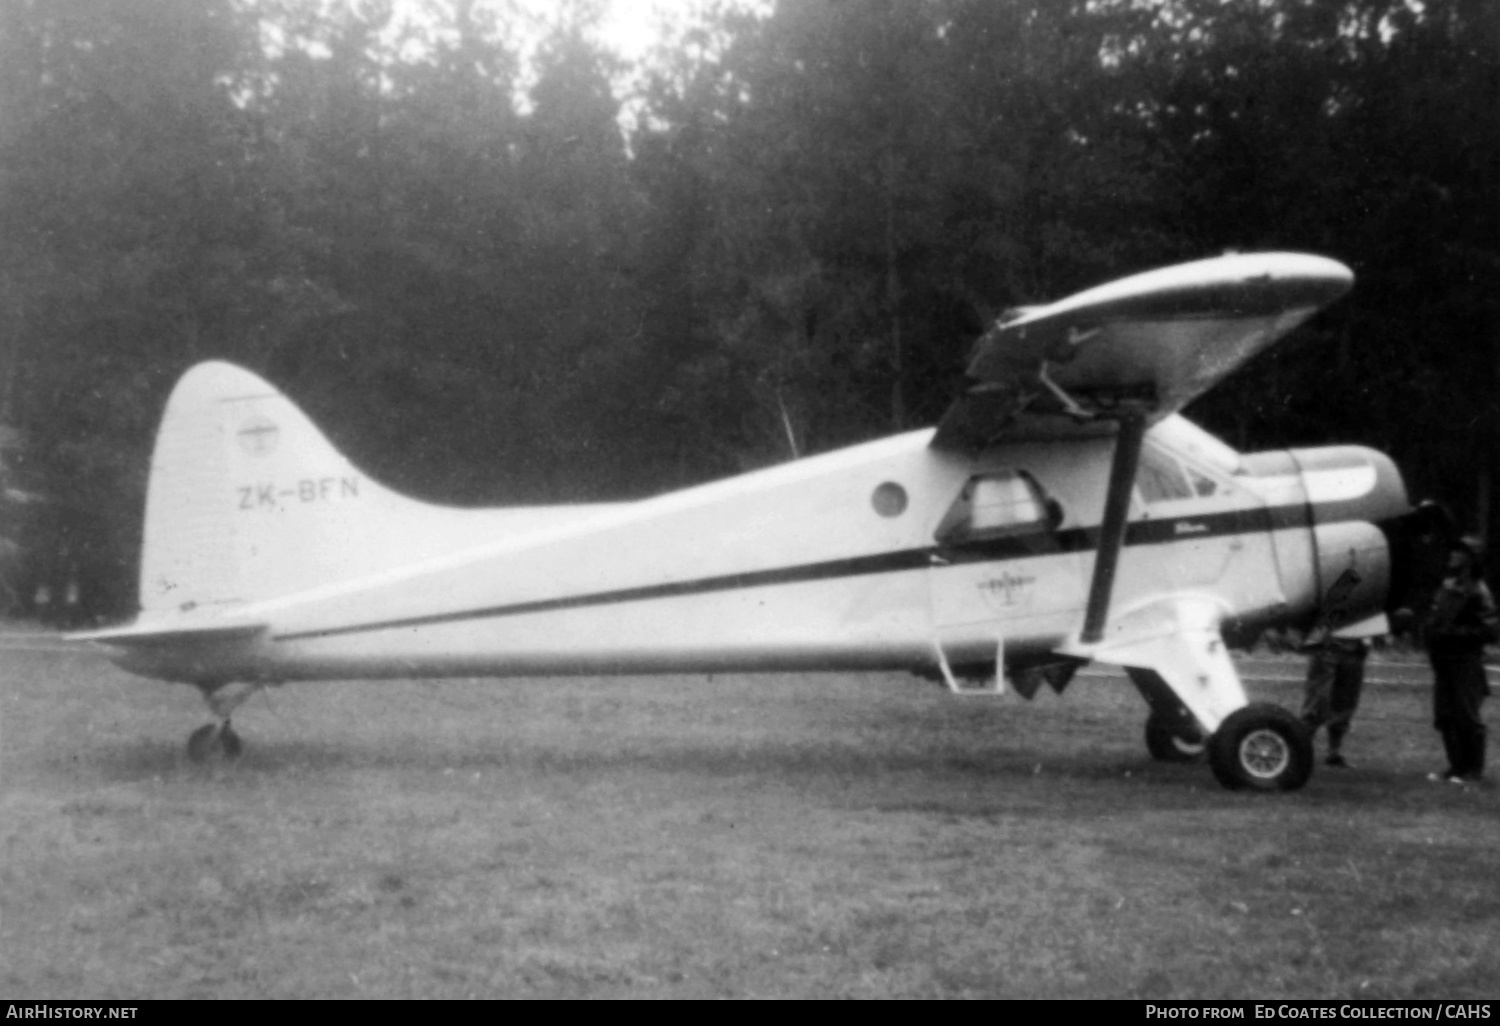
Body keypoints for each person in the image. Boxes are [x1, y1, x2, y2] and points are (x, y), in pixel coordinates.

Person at [1422, 535, 1499, 784]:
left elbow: (1488, 630)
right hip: (1443, 660)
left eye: (1460, 552)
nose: (1453, 555)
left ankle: (1473, 770)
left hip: (1465, 661)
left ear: (1471, 559)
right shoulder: (1448, 585)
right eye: (1453, 550)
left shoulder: (1478, 590)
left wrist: (1451, 634)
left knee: (1466, 716)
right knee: (1444, 715)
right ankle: (1455, 767)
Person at [1300, 627, 1370, 768]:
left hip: (1354, 649)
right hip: (1326, 645)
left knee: (1345, 703)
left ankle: (1333, 753)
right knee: (1316, 702)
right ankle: (1298, 751)